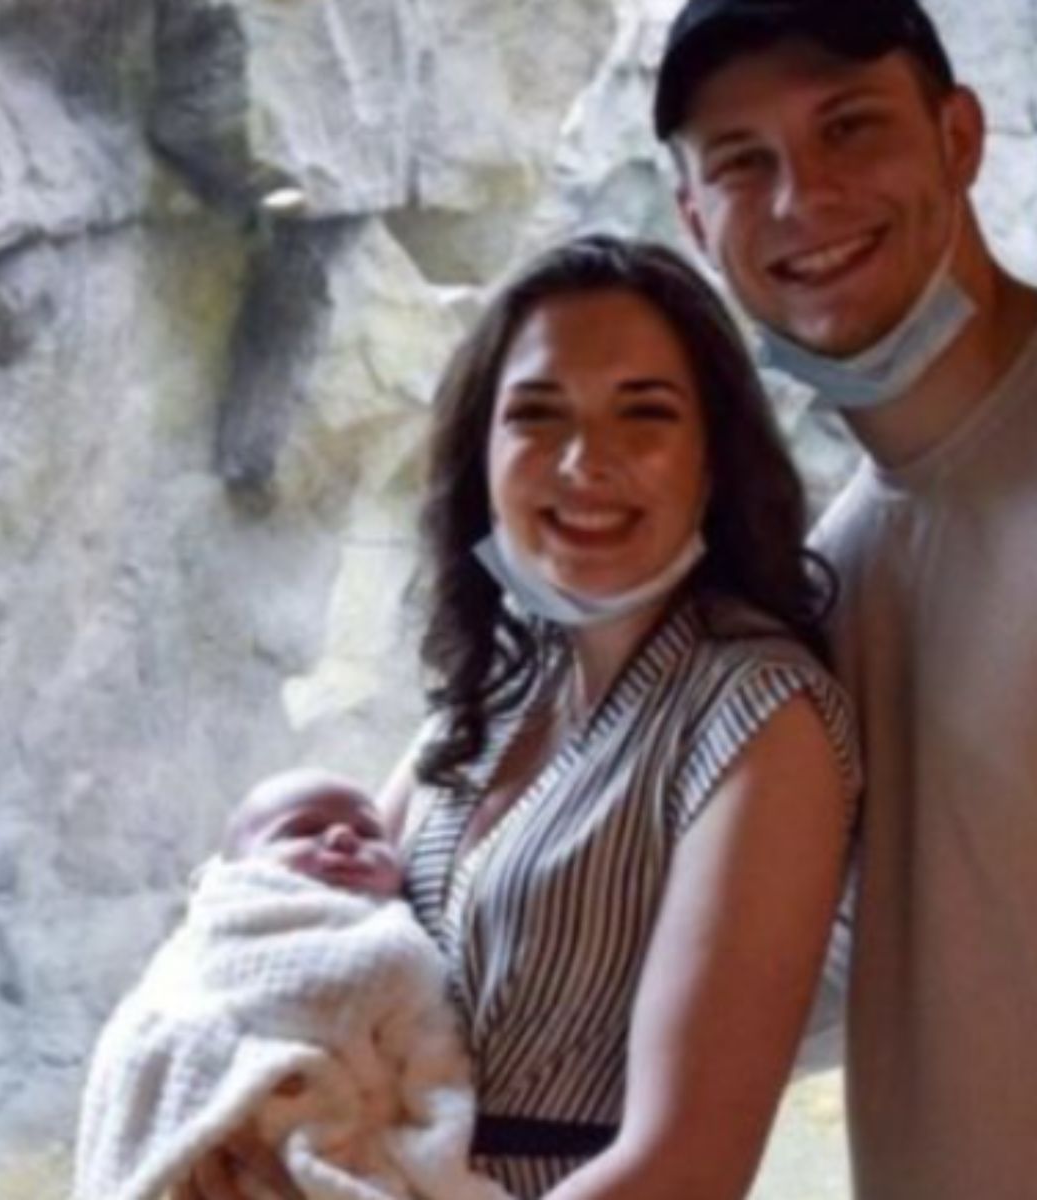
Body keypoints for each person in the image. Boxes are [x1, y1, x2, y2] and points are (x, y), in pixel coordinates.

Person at [177, 235, 860, 1200]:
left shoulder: (760, 720)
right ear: (483, 453)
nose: (586, 461)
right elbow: (308, 939)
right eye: (537, 415)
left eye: (646, 414)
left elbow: (686, 1165)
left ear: (716, 456)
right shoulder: (497, 690)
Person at [654, 1, 1037, 1197]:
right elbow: (844, 960)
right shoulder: (839, 581)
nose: (800, 198)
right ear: (696, 222)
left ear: (958, 135)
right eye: (742, 164)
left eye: (849, 127)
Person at [74, 768, 508, 1200]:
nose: (343, 837)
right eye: (302, 829)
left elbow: (433, 1063)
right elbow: (156, 1018)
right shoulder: (220, 920)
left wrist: (435, 1159)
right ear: (239, 867)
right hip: (213, 1140)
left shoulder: (394, 942)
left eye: (370, 833)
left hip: (334, 1145)